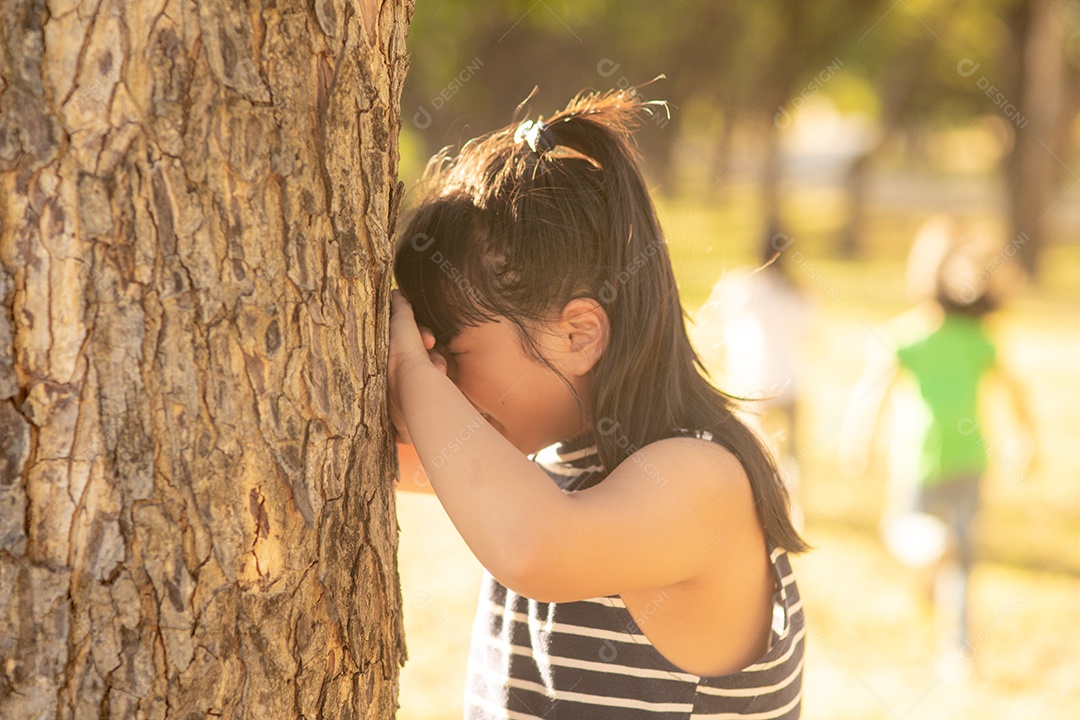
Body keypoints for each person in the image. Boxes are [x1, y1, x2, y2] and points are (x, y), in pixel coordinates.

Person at [387, 89, 808, 718]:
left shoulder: (703, 481)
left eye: (451, 351)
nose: (439, 379)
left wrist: (408, 370)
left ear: (577, 334)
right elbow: (403, 459)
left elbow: (532, 546)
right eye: (428, 357)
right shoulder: (550, 469)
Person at [838, 215, 1035, 669]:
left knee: (911, 532)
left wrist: (858, 442)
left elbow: (872, 392)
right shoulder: (955, 338)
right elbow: (1016, 390)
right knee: (959, 560)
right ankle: (958, 650)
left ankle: (934, 561)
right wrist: (1028, 441)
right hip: (953, 460)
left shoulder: (923, 334)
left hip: (929, 459)